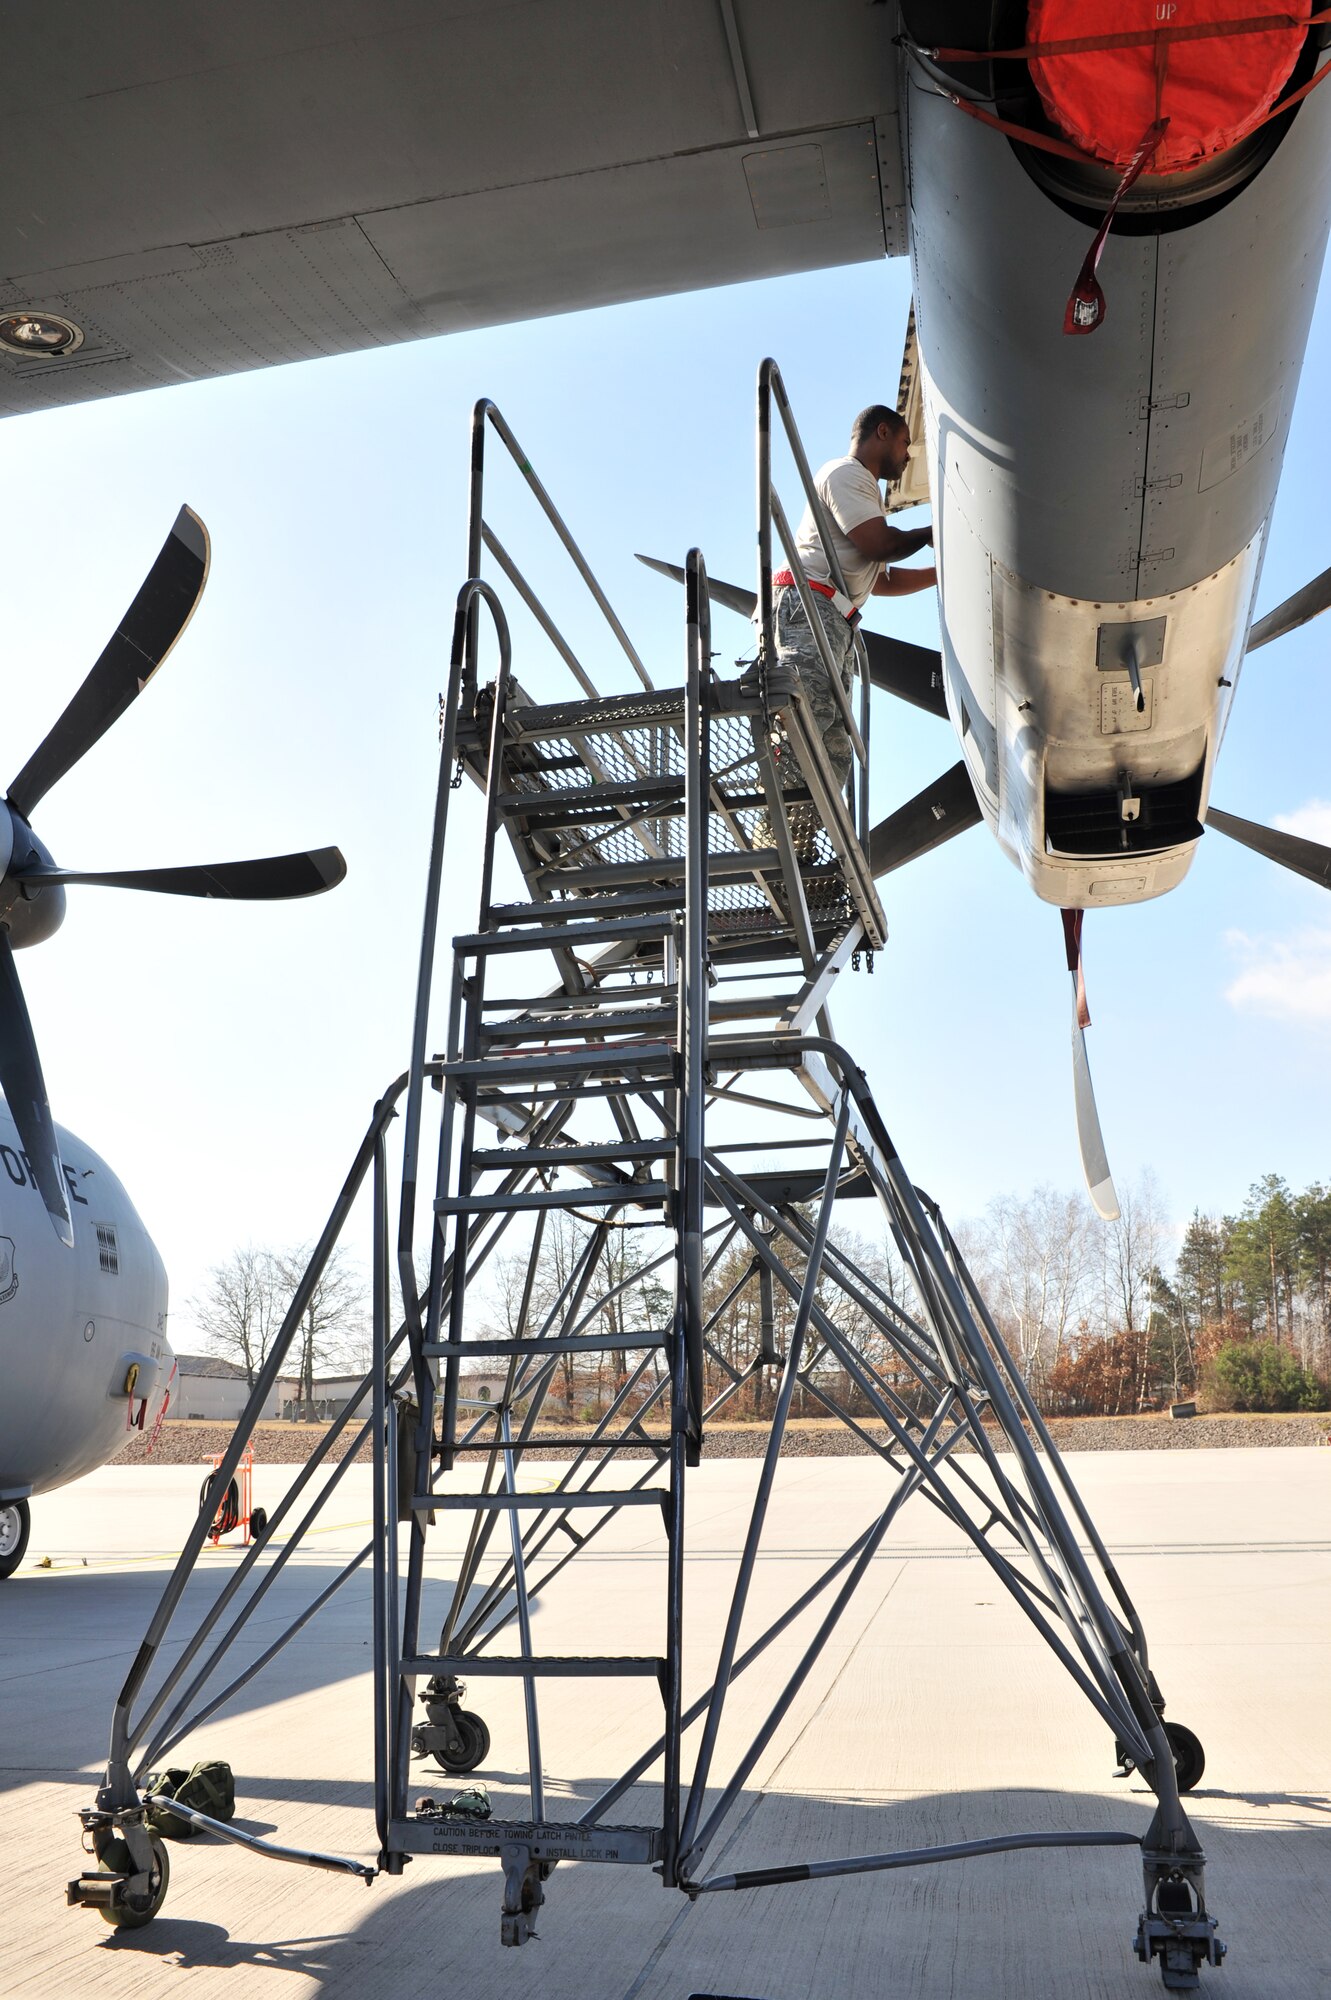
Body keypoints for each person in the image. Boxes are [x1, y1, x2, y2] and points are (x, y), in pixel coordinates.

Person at [771, 405, 935, 826]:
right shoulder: (847, 475)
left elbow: (882, 579)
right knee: (804, 725)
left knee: (833, 745)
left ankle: (799, 841)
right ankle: (774, 835)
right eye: (904, 443)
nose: (907, 455)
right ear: (882, 432)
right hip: (808, 608)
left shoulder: (866, 494)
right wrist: (932, 534)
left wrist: (941, 573)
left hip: (833, 618)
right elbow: (880, 545)